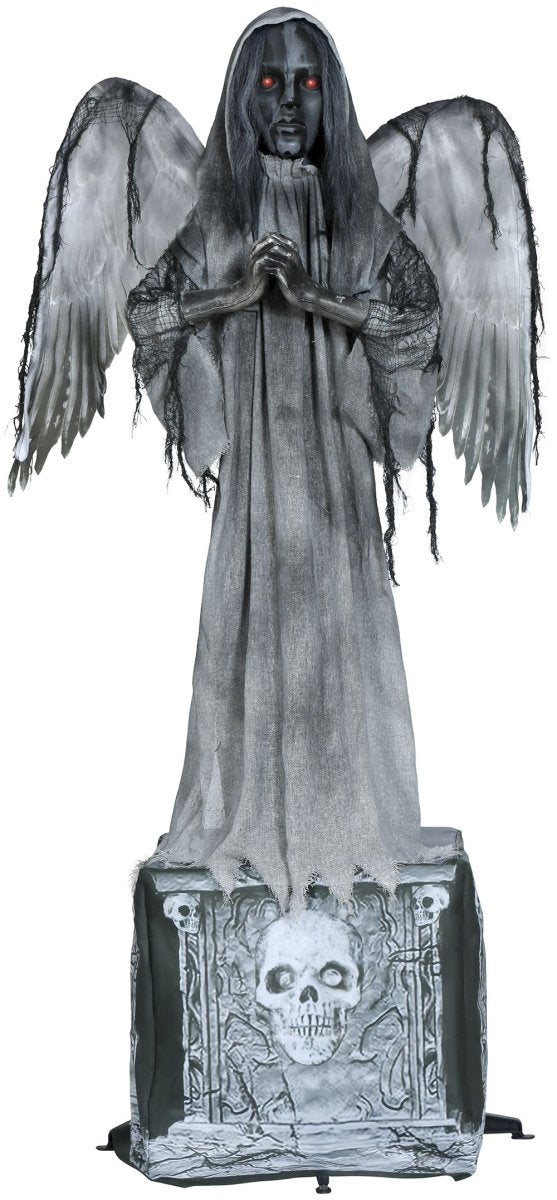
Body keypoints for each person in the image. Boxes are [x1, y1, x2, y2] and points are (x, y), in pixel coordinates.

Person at [126, 7, 443, 912]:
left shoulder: (357, 221)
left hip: (333, 476)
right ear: (243, 98)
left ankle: (341, 824)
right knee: (252, 618)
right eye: (270, 81)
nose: (291, 102)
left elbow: (417, 317)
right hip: (258, 482)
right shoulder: (218, 219)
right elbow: (147, 312)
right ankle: (256, 815)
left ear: (330, 94)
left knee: (333, 626)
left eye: (307, 81)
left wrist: (315, 297)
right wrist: (231, 294)